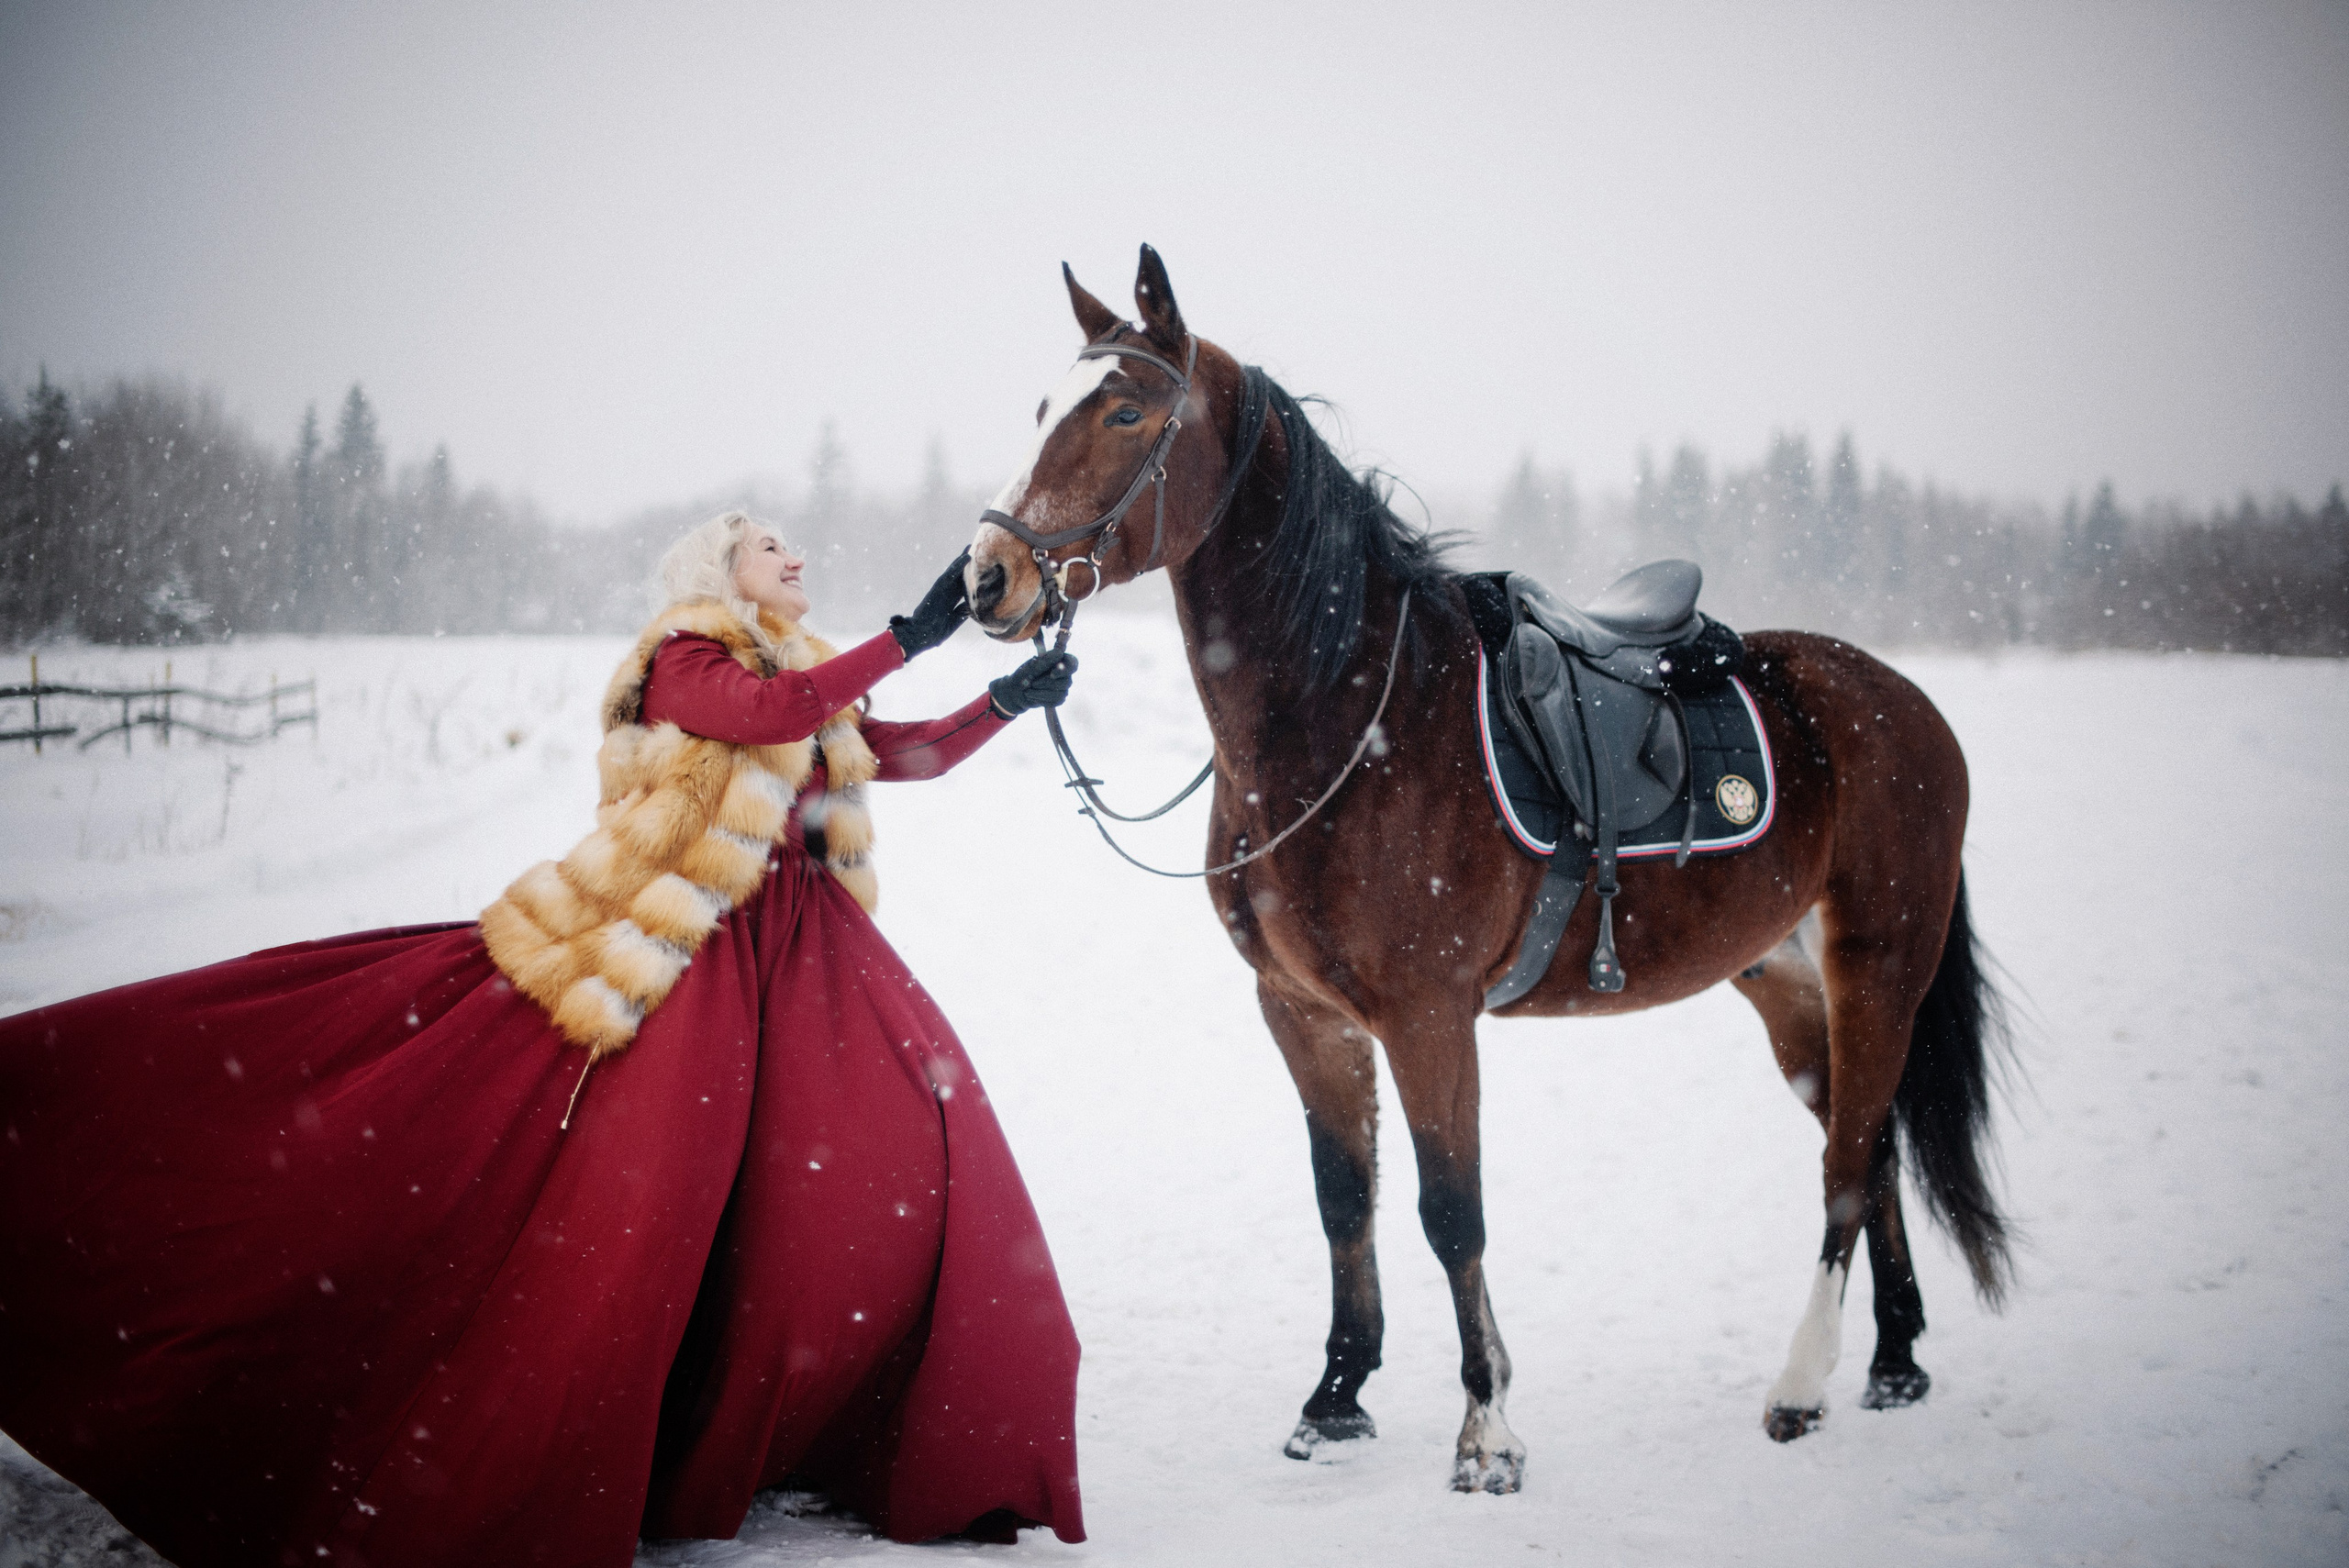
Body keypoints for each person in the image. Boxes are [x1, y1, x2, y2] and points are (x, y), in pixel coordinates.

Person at [0, 510, 1086, 1567]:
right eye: (768, 543)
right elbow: (769, 712)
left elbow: (887, 753)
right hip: (698, 944)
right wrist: (913, 633)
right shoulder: (685, 661)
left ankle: (820, 1407)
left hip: (810, 944)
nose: (793, 553)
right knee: (659, 1186)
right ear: (720, 568)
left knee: (910, 1142)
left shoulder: (805, 667)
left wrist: (997, 701)